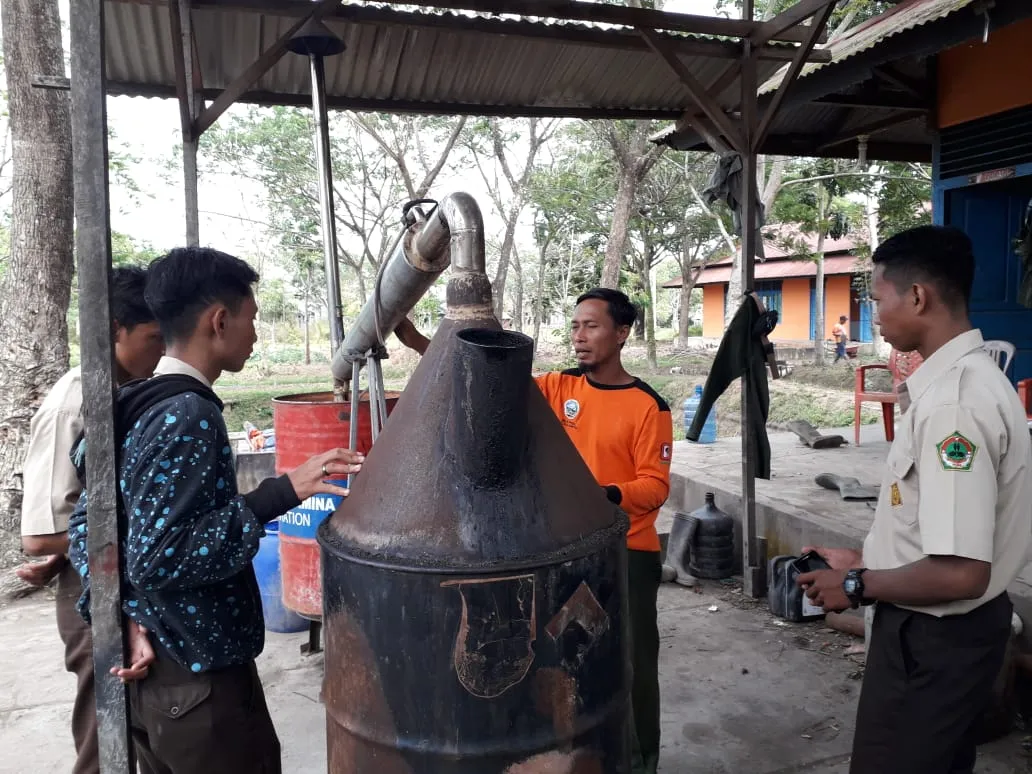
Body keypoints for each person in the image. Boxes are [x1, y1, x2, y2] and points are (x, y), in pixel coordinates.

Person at [68, 247, 365, 774]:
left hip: (159, 676)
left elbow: (86, 526)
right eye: (251, 319)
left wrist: (119, 612)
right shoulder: (188, 414)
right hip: (199, 680)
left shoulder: (128, 404)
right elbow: (162, 558)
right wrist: (280, 493)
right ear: (219, 321)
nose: (254, 335)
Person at [396, 288, 673, 774]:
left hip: (626, 552)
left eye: (591, 326)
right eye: (574, 327)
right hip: (565, 553)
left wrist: (602, 496)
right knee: (569, 661)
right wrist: (420, 340)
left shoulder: (648, 406)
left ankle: (640, 759)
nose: (579, 337)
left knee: (630, 663)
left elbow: (654, 486)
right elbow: (495, 377)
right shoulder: (559, 389)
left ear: (622, 333)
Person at [796, 225, 1032, 774]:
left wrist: (856, 585)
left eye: (878, 299)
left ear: (919, 296)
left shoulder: (954, 406)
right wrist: (866, 560)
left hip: (933, 640)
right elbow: (942, 533)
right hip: (950, 636)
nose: (874, 316)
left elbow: (961, 574)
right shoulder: (969, 382)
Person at [16, 266, 165, 774]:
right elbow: (39, 535)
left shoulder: (129, 390)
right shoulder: (74, 401)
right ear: (115, 329)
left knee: (148, 728)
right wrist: (149, 534)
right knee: (107, 737)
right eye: (153, 338)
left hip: (124, 578)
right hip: (92, 589)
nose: (161, 352)